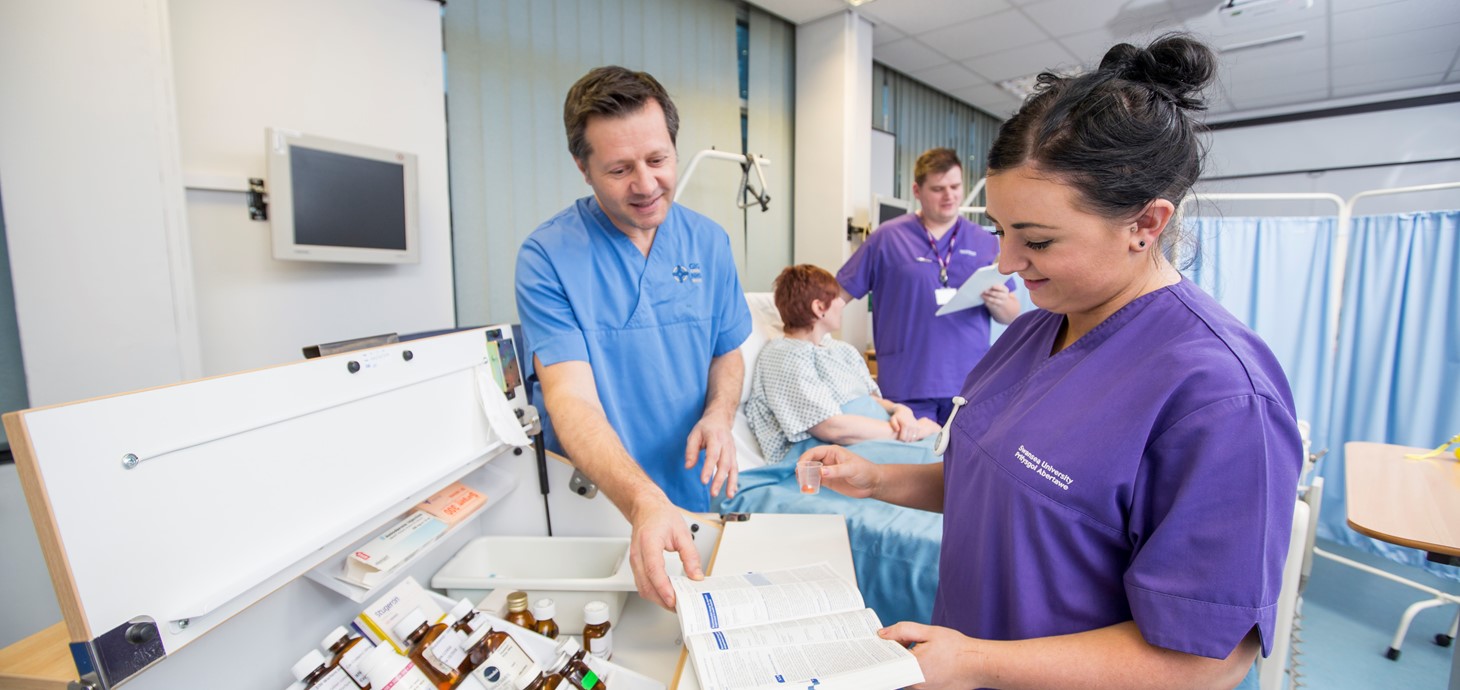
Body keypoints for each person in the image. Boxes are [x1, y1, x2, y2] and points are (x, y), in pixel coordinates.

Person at [803, 34, 1303, 689]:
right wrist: (877, 481)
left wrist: (981, 662)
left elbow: (1209, 654)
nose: (1006, 263)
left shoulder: (1220, 397)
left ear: (1145, 224)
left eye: (1036, 239)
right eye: (1002, 230)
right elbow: (1000, 491)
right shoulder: (1031, 334)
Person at [515, 66, 751, 611]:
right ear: (583, 167)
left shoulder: (708, 242)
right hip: (602, 500)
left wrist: (719, 415)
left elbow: (726, 350)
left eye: (657, 160)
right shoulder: (548, 257)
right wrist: (643, 499)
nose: (645, 185)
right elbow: (568, 397)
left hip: (694, 491)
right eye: (620, 169)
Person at [837, 147, 1020, 425]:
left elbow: (1012, 314)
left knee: (959, 466)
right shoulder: (888, 238)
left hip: (966, 384)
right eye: (938, 188)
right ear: (917, 190)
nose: (949, 196)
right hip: (907, 384)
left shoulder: (984, 241)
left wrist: (1000, 302)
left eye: (955, 186)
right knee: (910, 463)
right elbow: (837, 296)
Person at [744, 264, 942, 465]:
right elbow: (831, 428)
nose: (841, 304)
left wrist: (901, 411)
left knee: (948, 448)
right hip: (829, 451)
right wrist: (912, 432)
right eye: (836, 297)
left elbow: (872, 400)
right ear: (819, 307)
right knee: (938, 461)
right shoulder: (784, 356)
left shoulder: (841, 350)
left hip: (875, 438)